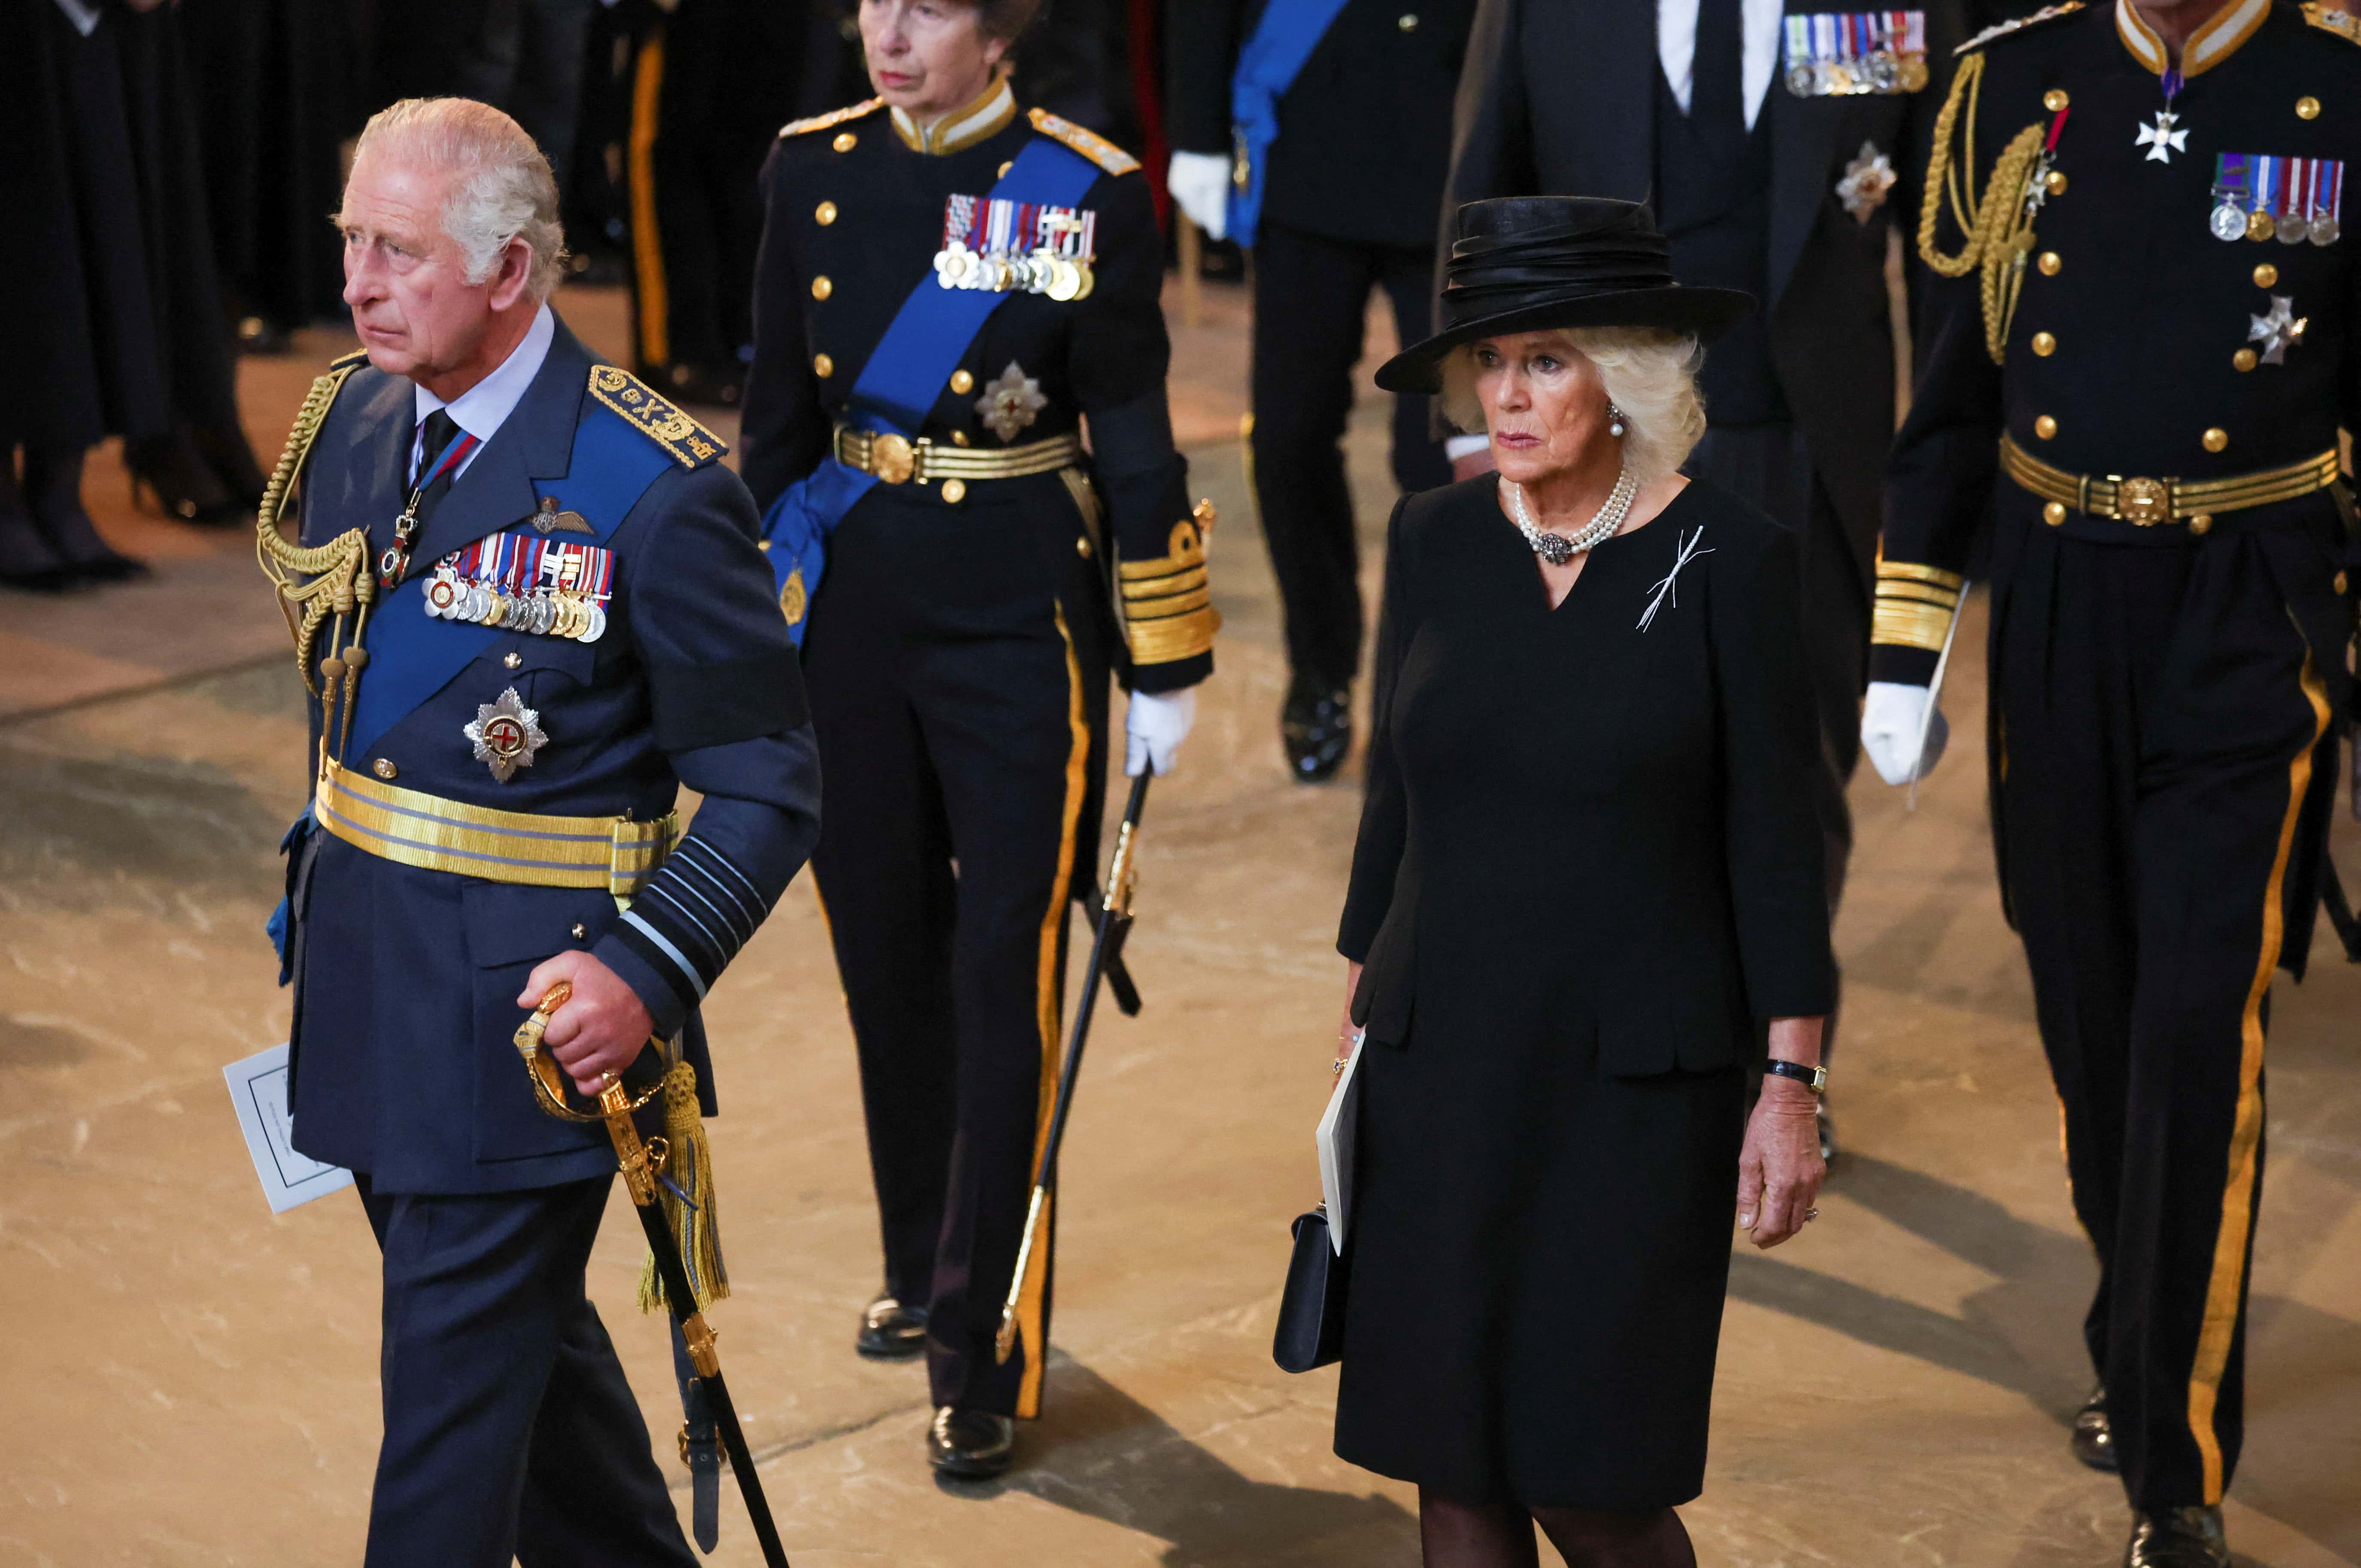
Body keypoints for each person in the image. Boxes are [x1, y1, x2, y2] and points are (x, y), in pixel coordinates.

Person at [264, 97, 820, 1565]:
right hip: (373, 987)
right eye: (352, 244)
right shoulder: (351, 421)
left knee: (440, 1469)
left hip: (528, 1034)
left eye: (399, 250)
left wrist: (646, 972)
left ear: (512, 272)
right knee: (529, 1377)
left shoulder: (656, 489)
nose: (359, 282)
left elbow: (770, 779)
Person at [1859, 4, 2360, 1564]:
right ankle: (2135, 1313)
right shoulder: (2011, 83)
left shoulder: (2341, 89)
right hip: (2060, 594)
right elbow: (1951, 393)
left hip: (2251, 607)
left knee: (2200, 1025)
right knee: (2089, 1002)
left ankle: (2175, 1455)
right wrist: (1907, 637)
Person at [739, 0, 1216, 1480]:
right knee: (883, 947)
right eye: (873, 0)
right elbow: (771, 419)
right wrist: (748, 631)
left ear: (1001, 28)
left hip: (1021, 621)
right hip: (852, 615)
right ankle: (918, 1255)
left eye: (930, 5)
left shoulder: (1084, 187)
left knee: (1000, 972)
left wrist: (1168, 649)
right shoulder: (804, 168)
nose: (886, 31)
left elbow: (1129, 428)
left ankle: (982, 1340)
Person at [1335, 196, 1833, 1568]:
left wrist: (1787, 1086)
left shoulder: (1733, 561)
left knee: (1593, 1480)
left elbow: (1777, 845)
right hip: (1441, 1064)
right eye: (1487, 364)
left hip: (1631, 1086)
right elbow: (1398, 788)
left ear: (1625, 381)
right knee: (1453, 1468)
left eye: (1544, 359)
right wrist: (1359, 1001)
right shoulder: (1434, 539)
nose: (1505, 392)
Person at [1443, 0, 1968, 1159]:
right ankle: (1614, 1048)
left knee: (1792, 775)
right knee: (1595, 764)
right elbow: (1485, 197)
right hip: (1601, 442)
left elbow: (1946, 246)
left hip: (1806, 445)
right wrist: (1475, 434)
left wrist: (1941, 473)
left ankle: (1773, 1065)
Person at [1163, 0, 1470, 782]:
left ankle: (1423, 685)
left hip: (1453, 140)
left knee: (1443, 456)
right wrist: (1197, 134)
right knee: (1288, 439)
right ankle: (1321, 662)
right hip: (1309, 141)